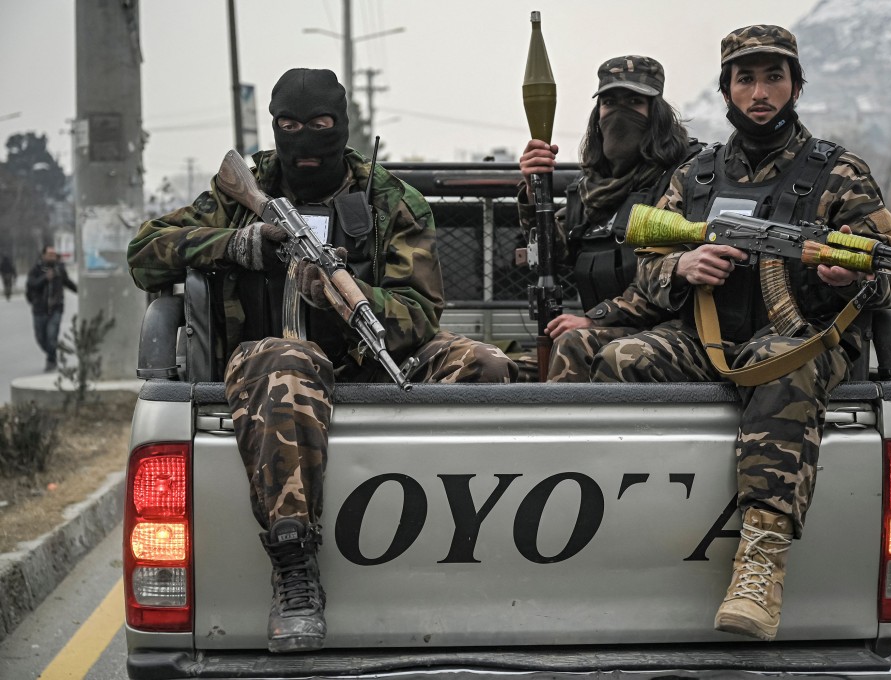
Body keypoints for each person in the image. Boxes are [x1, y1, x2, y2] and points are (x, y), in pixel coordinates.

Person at [127, 68, 516, 653]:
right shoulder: (239, 194)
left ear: (343, 126)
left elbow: (421, 312)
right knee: (286, 359)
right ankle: (294, 568)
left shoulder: (388, 200)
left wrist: (341, 297)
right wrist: (236, 245)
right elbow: (144, 252)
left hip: (368, 354)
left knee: (485, 364)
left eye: (320, 125)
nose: (305, 139)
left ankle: (477, 549)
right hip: (267, 367)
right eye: (289, 126)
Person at [553, 26, 891, 641]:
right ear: (727, 91)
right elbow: (648, 257)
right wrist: (681, 266)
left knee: (783, 358)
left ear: (796, 85)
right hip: (708, 338)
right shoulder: (697, 174)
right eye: (745, 79)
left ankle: (760, 564)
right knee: (594, 351)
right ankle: (577, 522)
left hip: (799, 339)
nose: (760, 91)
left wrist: (849, 278)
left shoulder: (837, 172)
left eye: (773, 77)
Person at [516, 56, 701, 380]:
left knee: (573, 345)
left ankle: (568, 433)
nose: (619, 112)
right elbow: (550, 256)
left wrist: (597, 319)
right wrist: (534, 193)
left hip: (669, 332)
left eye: (634, 102)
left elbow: (664, 274)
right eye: (609, 102)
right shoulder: (590, 191)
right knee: (498, 369)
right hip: (603, 331)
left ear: (656, 114)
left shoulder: (683, 179)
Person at [26, 245, 77, 372]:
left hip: (56, 308)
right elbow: (31, 284)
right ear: (43, 255)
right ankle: (52, 353)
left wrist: (80, 291)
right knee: (40, 338)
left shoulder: (59, 269)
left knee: (51, 335)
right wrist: (45, 278)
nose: (52, 257)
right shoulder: (37, 269)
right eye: (49, 254)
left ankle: (51, 360)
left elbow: (67, 282)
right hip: (39, 309)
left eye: (54, 254)